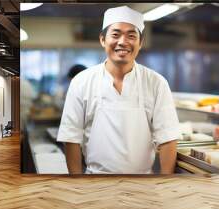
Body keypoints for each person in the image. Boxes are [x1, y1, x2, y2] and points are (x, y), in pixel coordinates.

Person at [57, 6, 179, 174]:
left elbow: (168, 139)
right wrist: (78, 185)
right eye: (115, 34)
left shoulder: (157, 83)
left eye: (131, 35)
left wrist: (166, 185)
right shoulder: (81, 82)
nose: (123, 42)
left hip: (142, 186)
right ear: (102, 40)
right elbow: (71, 138)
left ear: (140, 42)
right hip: (95, 183)